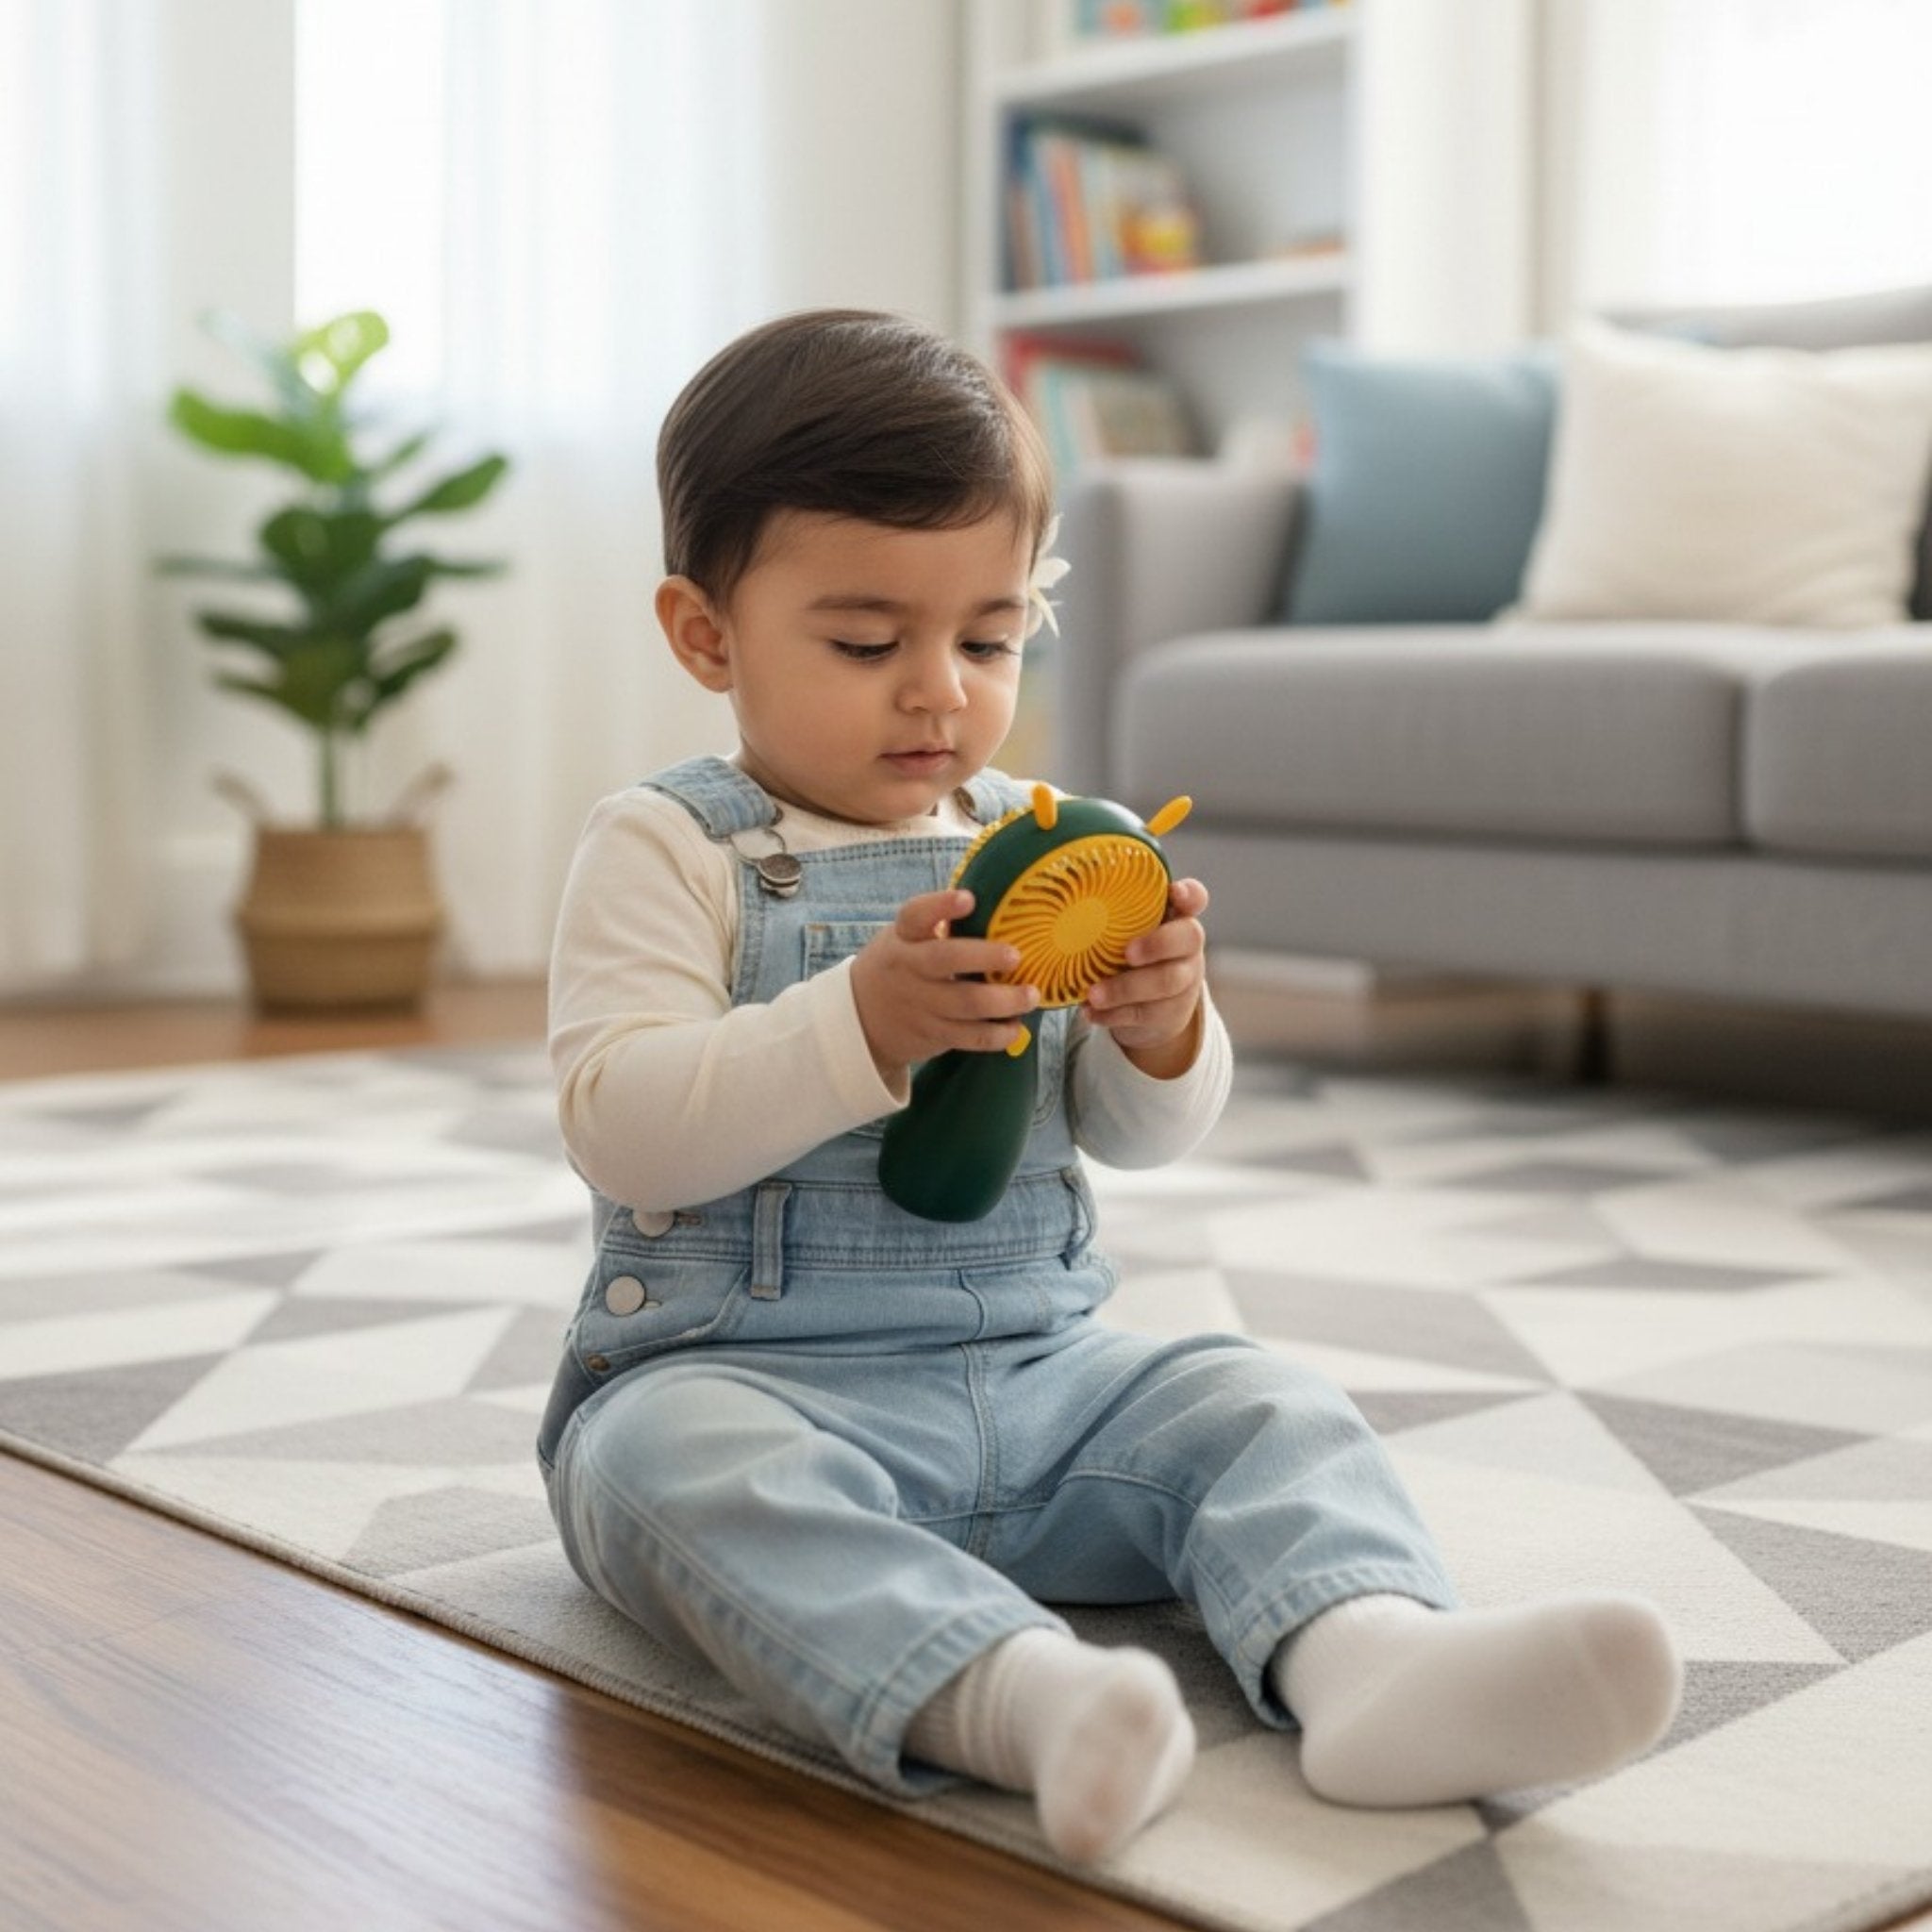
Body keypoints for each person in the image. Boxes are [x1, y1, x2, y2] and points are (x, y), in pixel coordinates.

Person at [538, 308, 1682, 1865]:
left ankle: (1371, 1665)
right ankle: (1016, 1698)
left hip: (1041, 1382)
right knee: (655, 1479)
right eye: (868, 644)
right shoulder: (671, 850)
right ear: (706, 633)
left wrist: (1161, 1033)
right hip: (744, 1379)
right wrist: (856, 1025)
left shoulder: (1053, 835)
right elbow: (622, 1123)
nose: (938, 693)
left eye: (991, 640)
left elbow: (1142, 1140)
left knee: (1253, 1396)